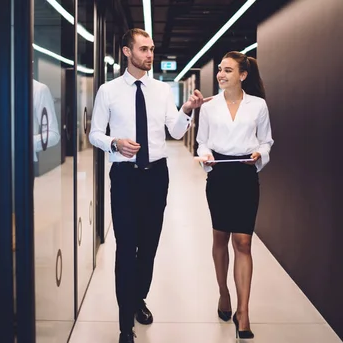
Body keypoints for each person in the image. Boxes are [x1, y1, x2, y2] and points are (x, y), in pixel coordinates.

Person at [89, 28, 209, 343]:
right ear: (127, 52)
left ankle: (138, 297)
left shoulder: (161, 91)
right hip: (125, 177)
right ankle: (124, 322)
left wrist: (187, 111)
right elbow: (94, 134)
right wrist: (114, 143)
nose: (150, 55)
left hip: (157, 175)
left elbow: (175, 128)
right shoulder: (108, 91)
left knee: (149, 247)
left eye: (152, 49)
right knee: (126, 248)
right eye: (143, 49)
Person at [196, 51, 274, 339]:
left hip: (244, 175)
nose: (221, 74)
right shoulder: (209, 106)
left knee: (243, 241)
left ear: (243, 75)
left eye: (228, 70)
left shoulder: (258, 106)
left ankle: (244, 312)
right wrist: (205, 157)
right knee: (220, 238)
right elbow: (202, 142)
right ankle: (223, 293)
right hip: (219, 175)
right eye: (220, 69)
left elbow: (267, 141)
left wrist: (259, 153)